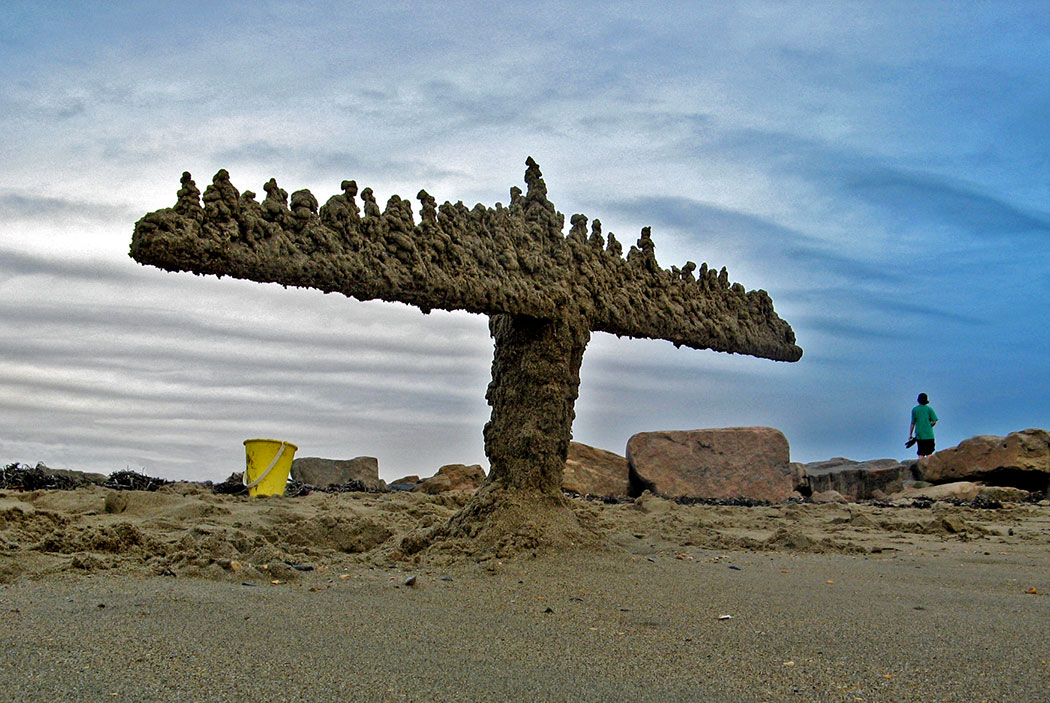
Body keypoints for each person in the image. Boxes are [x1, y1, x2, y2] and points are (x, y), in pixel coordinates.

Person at [908, 393, 939, 458]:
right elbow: (934, 421)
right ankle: (930, 467)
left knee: (921, 453)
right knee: (929, 453)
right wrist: (929, 426)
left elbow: (913, 423)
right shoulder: (929, 409)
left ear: (918, 400)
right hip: (929, 434)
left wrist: (910, 434)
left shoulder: (915, 410)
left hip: (920, 435)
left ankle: (920, 466)